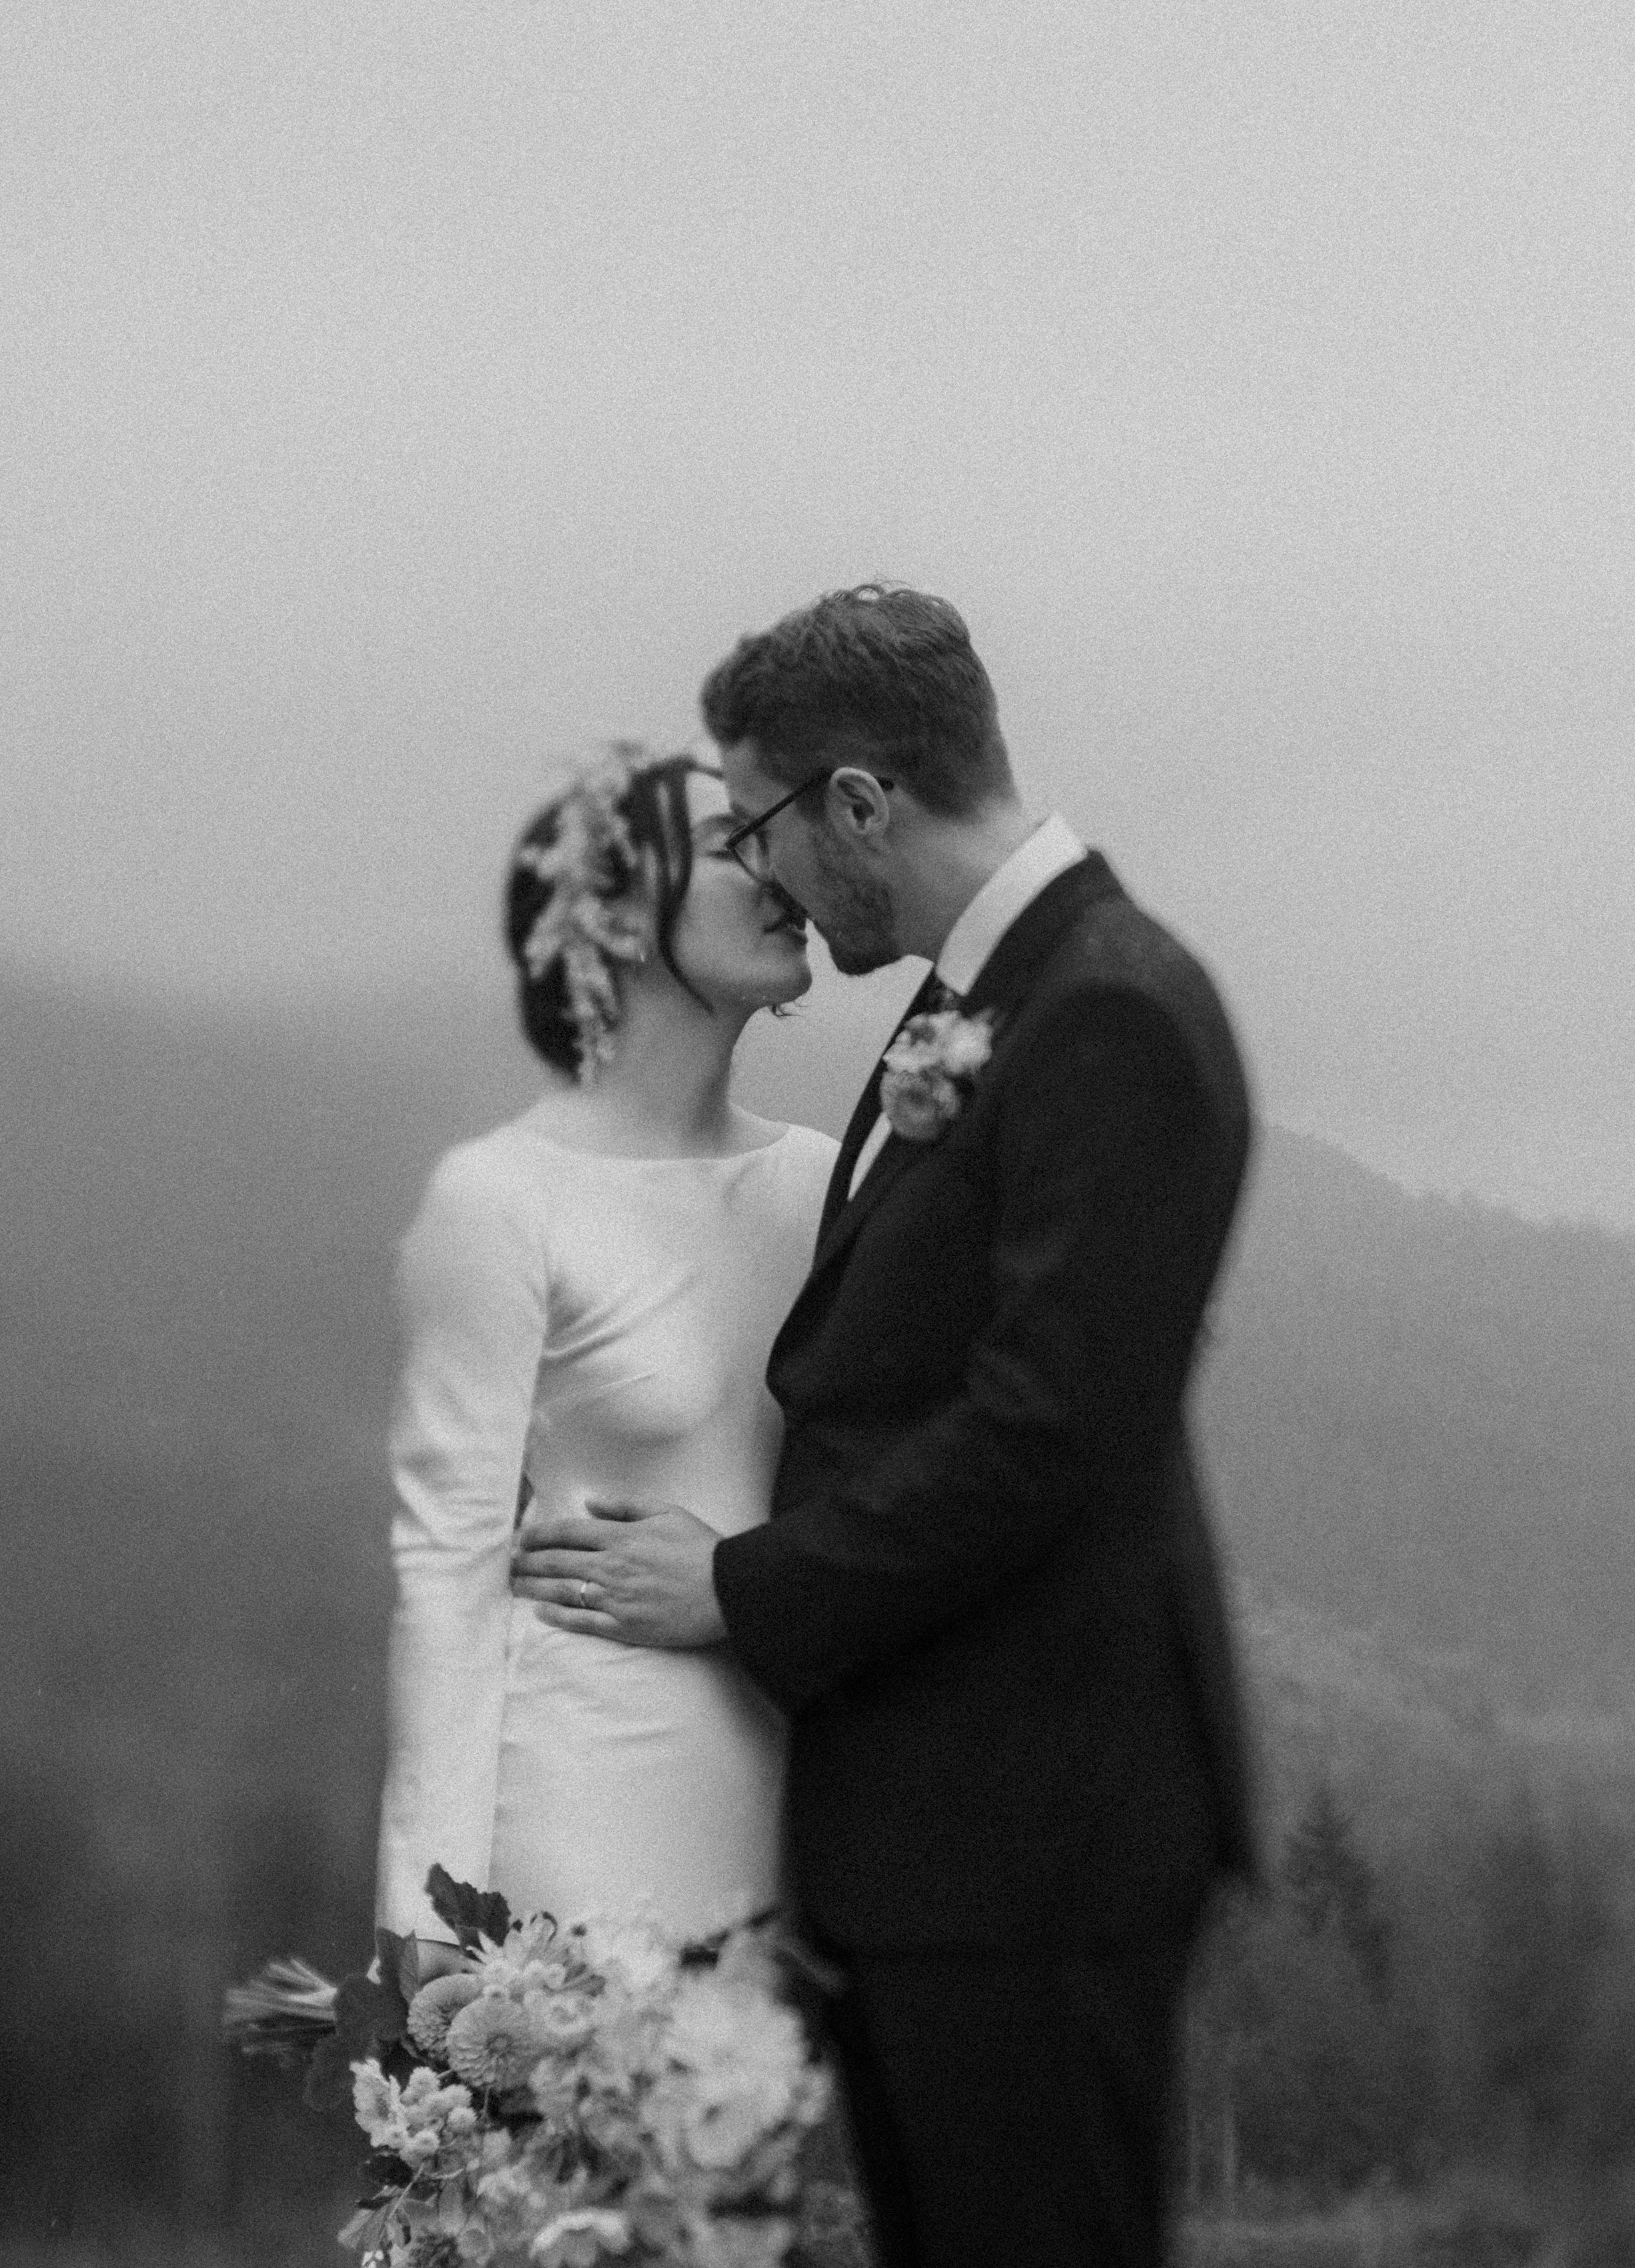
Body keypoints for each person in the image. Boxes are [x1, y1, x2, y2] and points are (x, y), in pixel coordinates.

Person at [514, 588, 1259, 2267]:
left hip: (1036, 1842)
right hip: (935, 1840)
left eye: (765, 824)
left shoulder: (1112, 1010)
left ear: (859, 801)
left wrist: (742, 1587)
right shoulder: (973, 1002)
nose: (761, 872)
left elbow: (1039, 1436)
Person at [374, 744, 838, 1961]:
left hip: (812, 1797)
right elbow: (448, 1572)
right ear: (616, 917)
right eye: (736, 845)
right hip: (591, 1800)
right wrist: (423, 1919)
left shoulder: (827, 1183)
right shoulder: (498, 1199)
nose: (784, 870)